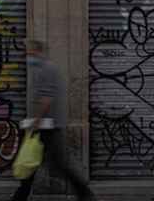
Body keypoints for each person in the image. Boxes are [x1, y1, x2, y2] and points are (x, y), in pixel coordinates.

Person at [10, 40, 95, 201]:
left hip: (49, 125)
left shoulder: (46, 69)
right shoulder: (42, 68)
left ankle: (84, 192)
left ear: (36, 51)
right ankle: (21, 195)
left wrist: (36, 120)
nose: (26, 56)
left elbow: (46, 98)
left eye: (28, 52)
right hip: (47, 124)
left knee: (53, 163)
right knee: (35, 161)